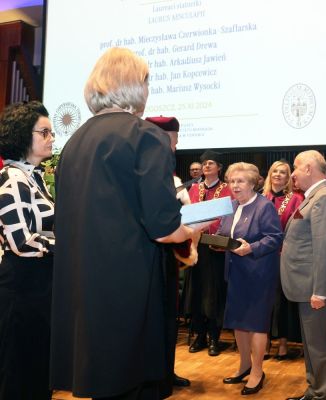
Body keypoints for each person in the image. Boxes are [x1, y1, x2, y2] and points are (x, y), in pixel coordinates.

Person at [50, 47, 203, 399]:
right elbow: (163, 227)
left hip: (85, 289)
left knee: (105, 385)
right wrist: (190, 232)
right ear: (136, 85)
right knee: (134, 384)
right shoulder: (144, 135)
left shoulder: (75, 141)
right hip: (129, 289)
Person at [281, 150, 326, 400]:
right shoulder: (314, 197)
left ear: (309, 168)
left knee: (322, 347)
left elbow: (325, 247)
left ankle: (324, 395)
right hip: (307, 288)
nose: (293, 174)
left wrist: (320, 290)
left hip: (318, 289)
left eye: (296, 168)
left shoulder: (323, 199)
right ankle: (315, 391)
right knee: (313, 346)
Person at [0, 101, 55, 399]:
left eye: (51, 132)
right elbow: (21, 241)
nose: (51, 138)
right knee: (19, 379)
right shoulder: (12, 179)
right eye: (44, 132)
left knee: (36, 378)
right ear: (24, 135)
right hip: (21, 292)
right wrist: (68, 246)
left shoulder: (33, 178)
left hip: (38, 289)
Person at [217, 162, 283, 396]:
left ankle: (257, 371)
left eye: (240, 181)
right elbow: (226, 234)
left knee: (255, 324)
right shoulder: (231, 206)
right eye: (232, 181)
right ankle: (244, 365)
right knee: (238, 322)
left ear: (253, 182)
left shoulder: (264, 206)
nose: (235, 185)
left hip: (258, 275)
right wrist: (217, 241)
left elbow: (275, 238)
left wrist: (251, 248)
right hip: (235, 273)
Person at [145, 116, 192, 394]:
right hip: (152, 253)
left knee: (169, 315)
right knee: (155, 315)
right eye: (173, 140)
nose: (175, 146)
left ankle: (167, 370)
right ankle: (155, 375)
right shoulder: (148, 171)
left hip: (168, 255)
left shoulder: (171, 176)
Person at [186, 150, 233, 356]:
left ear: (219, 167)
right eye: (204, 163)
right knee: (196, 291)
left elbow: (225, 216)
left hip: (215, 247)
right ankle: (199, 334)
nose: (206, 167)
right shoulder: (194, 188)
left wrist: (205, 224)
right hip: (196, 246)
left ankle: (214, 336)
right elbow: (188, 214)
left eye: (211, 163)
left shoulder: (226, 189)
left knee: (212, 293)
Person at [263, 160, 304, 360]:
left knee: (281, 302)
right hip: (260, 257)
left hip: (283, 257)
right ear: (270, 175)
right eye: (275, 171)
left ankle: (283, 342)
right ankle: (264, 341)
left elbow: (299, 229)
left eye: (283, 172)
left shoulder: (297, 199)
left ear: (289, 178)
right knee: (264, 300)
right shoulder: (261, 198)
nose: (278, 175)